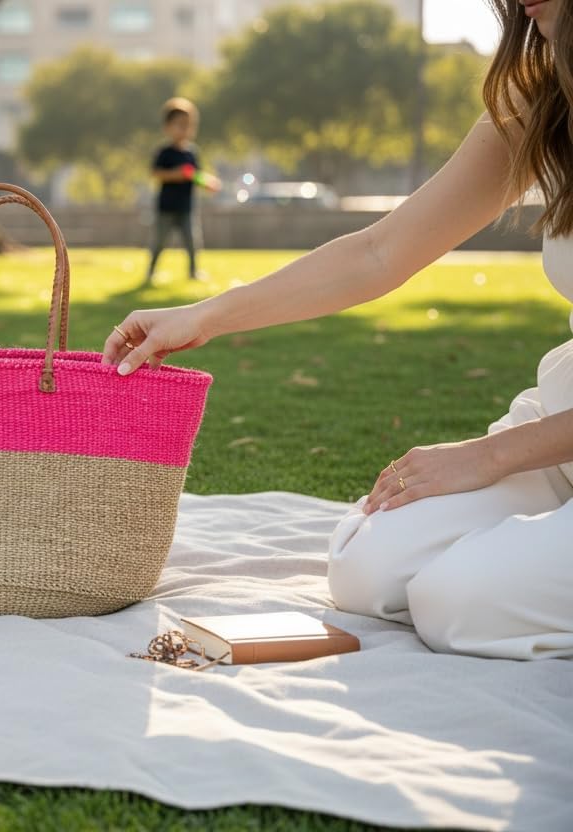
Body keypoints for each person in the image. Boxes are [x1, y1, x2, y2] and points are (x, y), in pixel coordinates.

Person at [104, 0, 573, 661]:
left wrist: (487, 456)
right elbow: (381, 252)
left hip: (546, 440)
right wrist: (201, 317)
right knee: (367, 567)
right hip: (559, 430)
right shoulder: (542, 94)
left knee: (456, 602)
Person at [145, 97, 221, 285]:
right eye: (179, 125)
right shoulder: (165, 152)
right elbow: (156, 173)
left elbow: (196, 175)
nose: (184, 129)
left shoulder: (191, 153)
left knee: (192, 242)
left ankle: (194, 272)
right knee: (160, 242)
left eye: (188, 125)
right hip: (166, 207)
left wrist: (207, 182)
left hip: (186, 207)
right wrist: (176, 174)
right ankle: (151, 272)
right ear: (167, 127)